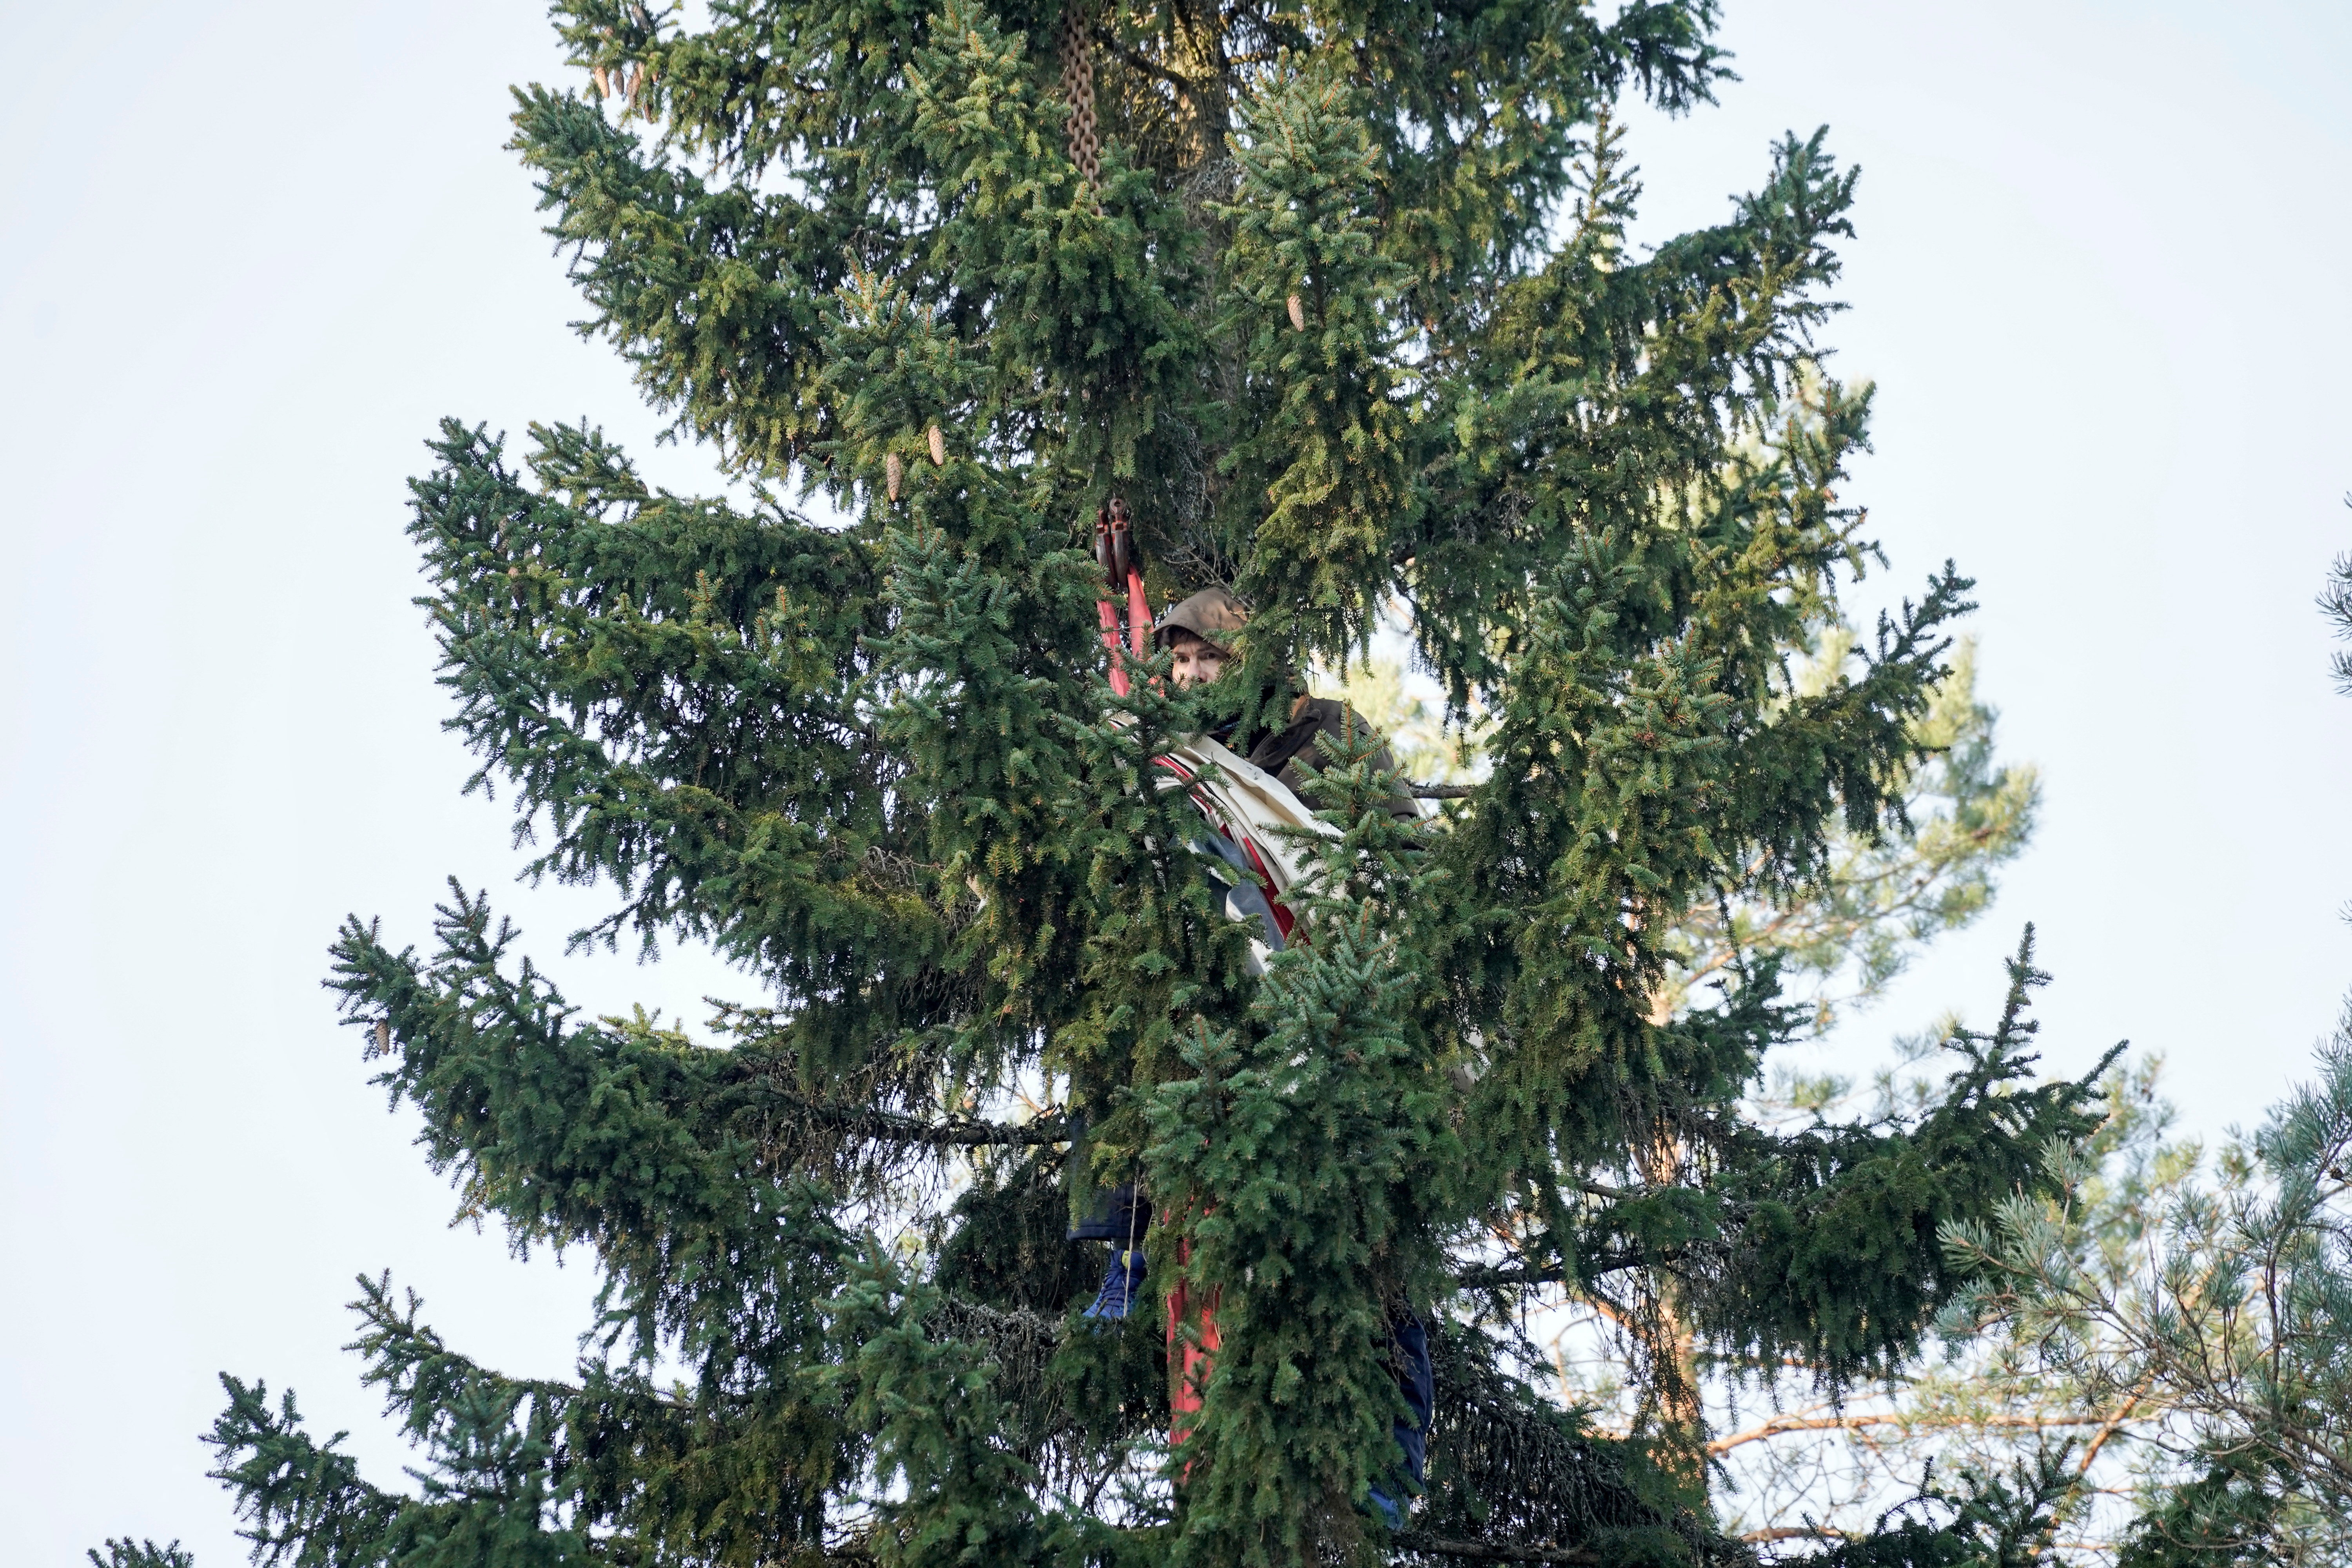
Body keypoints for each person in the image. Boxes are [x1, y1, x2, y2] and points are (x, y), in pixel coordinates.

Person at [1073, 584, 1434, 1521]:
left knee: (1371, 1279)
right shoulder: (1177, 774)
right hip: (1230, 1071)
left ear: (1253, 664)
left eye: (1208, 661)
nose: (1189, 676)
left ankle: (1380, 1483)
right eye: (1177, 661)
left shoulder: (1323, 734)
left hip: (1341, 1045)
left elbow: (1391, 857)